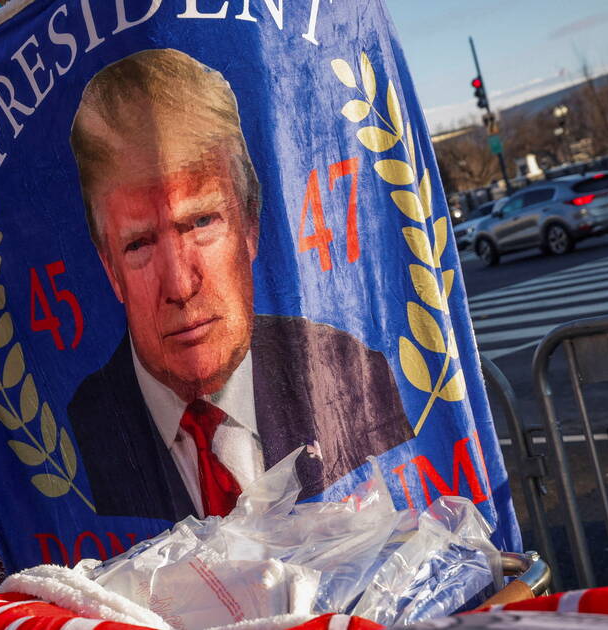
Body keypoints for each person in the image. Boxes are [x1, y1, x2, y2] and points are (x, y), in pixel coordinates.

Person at [66, 49, 414, 522]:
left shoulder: (352, 375)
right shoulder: (72, 435)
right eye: (139, 244)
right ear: (109, 268)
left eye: (202, 222)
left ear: (250, 226)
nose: (181, 285)